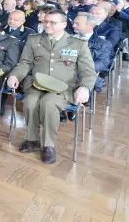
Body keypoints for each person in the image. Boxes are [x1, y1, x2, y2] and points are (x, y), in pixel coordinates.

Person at [7, 9, 95, 164]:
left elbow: (88, 71)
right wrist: (15, 75)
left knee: (48, 103)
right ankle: (32, 140)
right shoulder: (34, 40)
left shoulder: (77, 44)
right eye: (45, 21)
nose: (47, 25)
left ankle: (49, 145)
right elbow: (25, 63)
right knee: (30, 102)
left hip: (63, 88)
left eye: (52, 22)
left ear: (64, 24)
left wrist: (85, 87)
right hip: (36, 84)